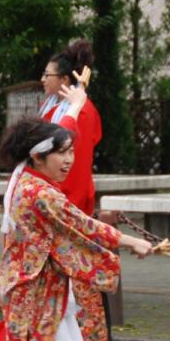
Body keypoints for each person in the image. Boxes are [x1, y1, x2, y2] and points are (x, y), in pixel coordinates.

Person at [0, 93, 151, 341]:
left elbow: (65, 129)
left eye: (71, 152)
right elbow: (82, 224)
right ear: (38, 156)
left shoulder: (29, 177)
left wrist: (75, 105)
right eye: (62, 153)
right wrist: (129, 241)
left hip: (53, 282)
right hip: (33, 288)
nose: (70, 160)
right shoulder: (38, 192)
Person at [38, 40, 102, 215]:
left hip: (69, 195)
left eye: (47, 75)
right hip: (51, 191)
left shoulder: (82, 111)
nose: (42, 79)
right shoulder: (50, 105)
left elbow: (74, 158)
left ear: (64, 79)